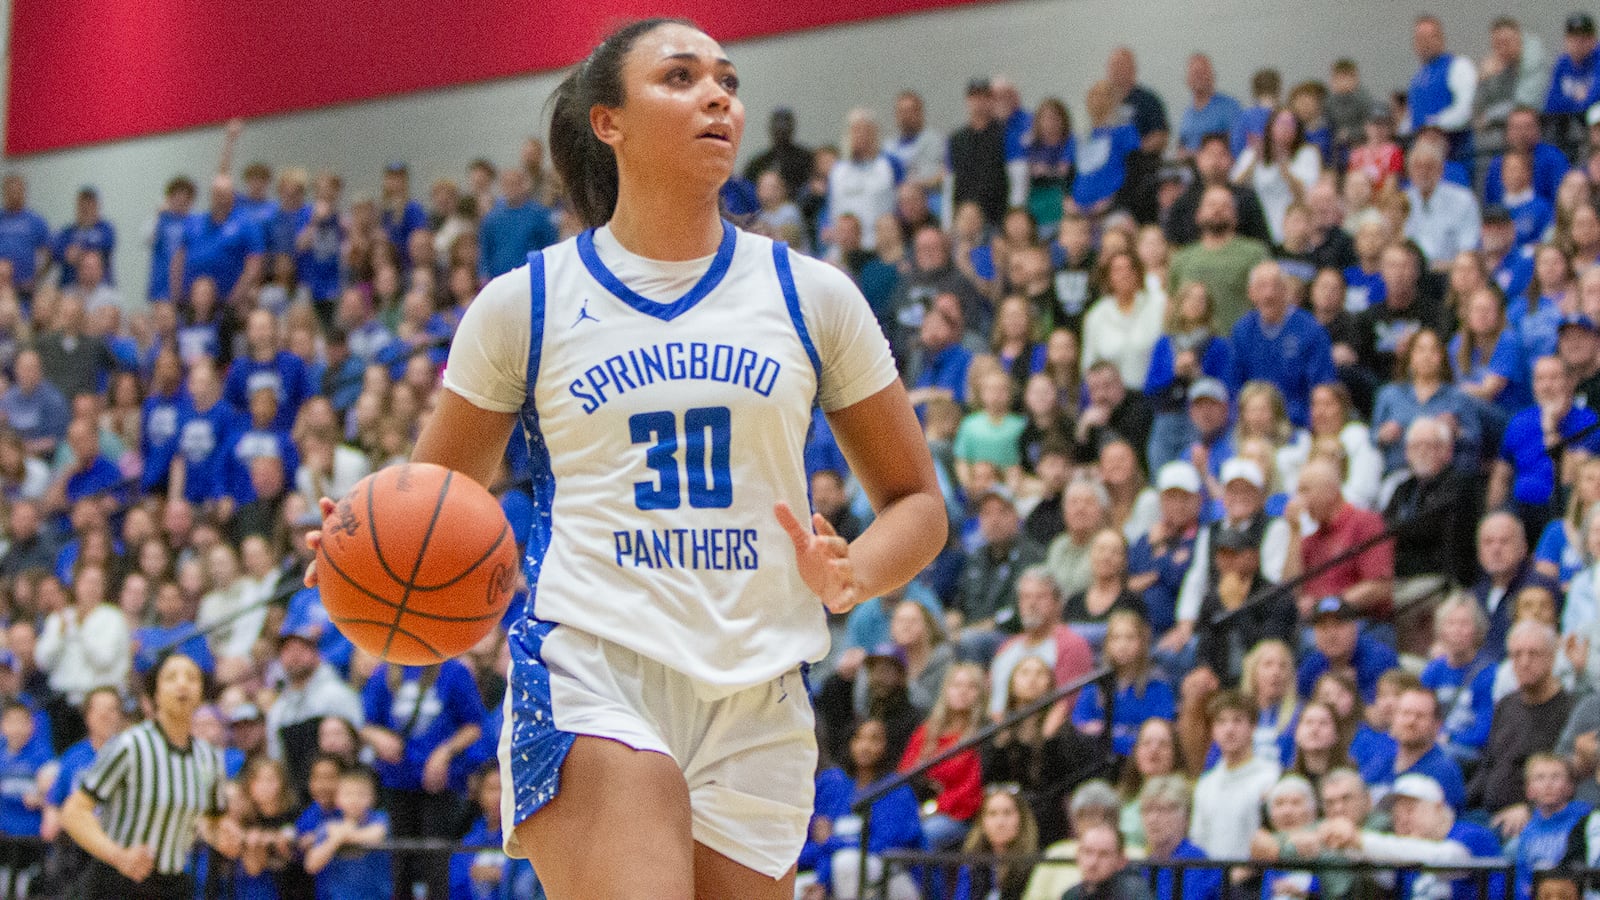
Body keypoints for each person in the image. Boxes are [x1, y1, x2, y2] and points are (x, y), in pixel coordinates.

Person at [302, 21, 949, 899]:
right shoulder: (525, 303)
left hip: (760, 694)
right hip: (594, 668)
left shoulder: (812, 295)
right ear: (608, 121)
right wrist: (357, 550)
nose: (717, 94)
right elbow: (432, 501)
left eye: (725, 79)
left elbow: (918, 502)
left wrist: (852, 573)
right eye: (680, 78)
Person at [59, 652, 241, 898]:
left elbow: (212, 821)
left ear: (200, 694)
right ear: (155, 694)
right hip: (117, 881)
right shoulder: (130, 745)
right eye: (171, 677)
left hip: (173, 885)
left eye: (191, 677)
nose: (182, 683)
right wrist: (118, 856)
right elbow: (73, 812)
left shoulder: (209, 757)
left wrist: (224, 836)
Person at [1471, 621, 1578, 826]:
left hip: (1535, 820)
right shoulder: (1506, 704)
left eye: (1533, 654)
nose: (1524, 662)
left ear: (1552, 657)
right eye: (1516, 655)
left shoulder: (1570, 709)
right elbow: (1488, 766)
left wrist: (1529, 810)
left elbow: (1568, 779)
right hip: (1485, 813)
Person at [1228, 260, 1335, 427]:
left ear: (1286, 291)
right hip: (1251, 424)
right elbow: (1234, 386)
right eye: (1261, 287)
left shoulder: (1310, 330)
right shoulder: (1242, 331)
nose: (1269, 294)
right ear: (1251, 293)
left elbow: (1322, 386)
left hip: (1297, 424)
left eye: (1275, 286)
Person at [1188, 691, 1279, 860]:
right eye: (1221, 722)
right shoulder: (1206, 784)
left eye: (1237, 720)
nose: (1229, 729)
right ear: (1213, 730)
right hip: (1213, 881)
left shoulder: (1271, 777)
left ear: (1253, 727)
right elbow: (1198, 841)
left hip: (1254, 879)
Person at [1168, 186, 1272, 331]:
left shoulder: (1254, 253)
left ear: (1235, 216)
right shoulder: (1182, 258)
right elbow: (1172, 305)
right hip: (1192, 347)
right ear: (1198, 214)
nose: (1217, 210)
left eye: (1225, 206)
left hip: (1237, 345)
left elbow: (1267, 300)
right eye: (1211, 205)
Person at [304, 765, 392, 900]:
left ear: (372, 797)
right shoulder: (328, 826)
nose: (354, 800)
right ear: (337, 799)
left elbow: (376, 835)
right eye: (348, 794)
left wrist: (343, 835)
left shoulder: (380, 818)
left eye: (361, 794)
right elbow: (311, 865)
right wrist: (334, 841)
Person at [950, 786, 1040, 900]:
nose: (1000, 822)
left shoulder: (1036, 864)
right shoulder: (971, 864)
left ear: (1022, 819)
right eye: (992, 814)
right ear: (982, 822)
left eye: (1007, 813)